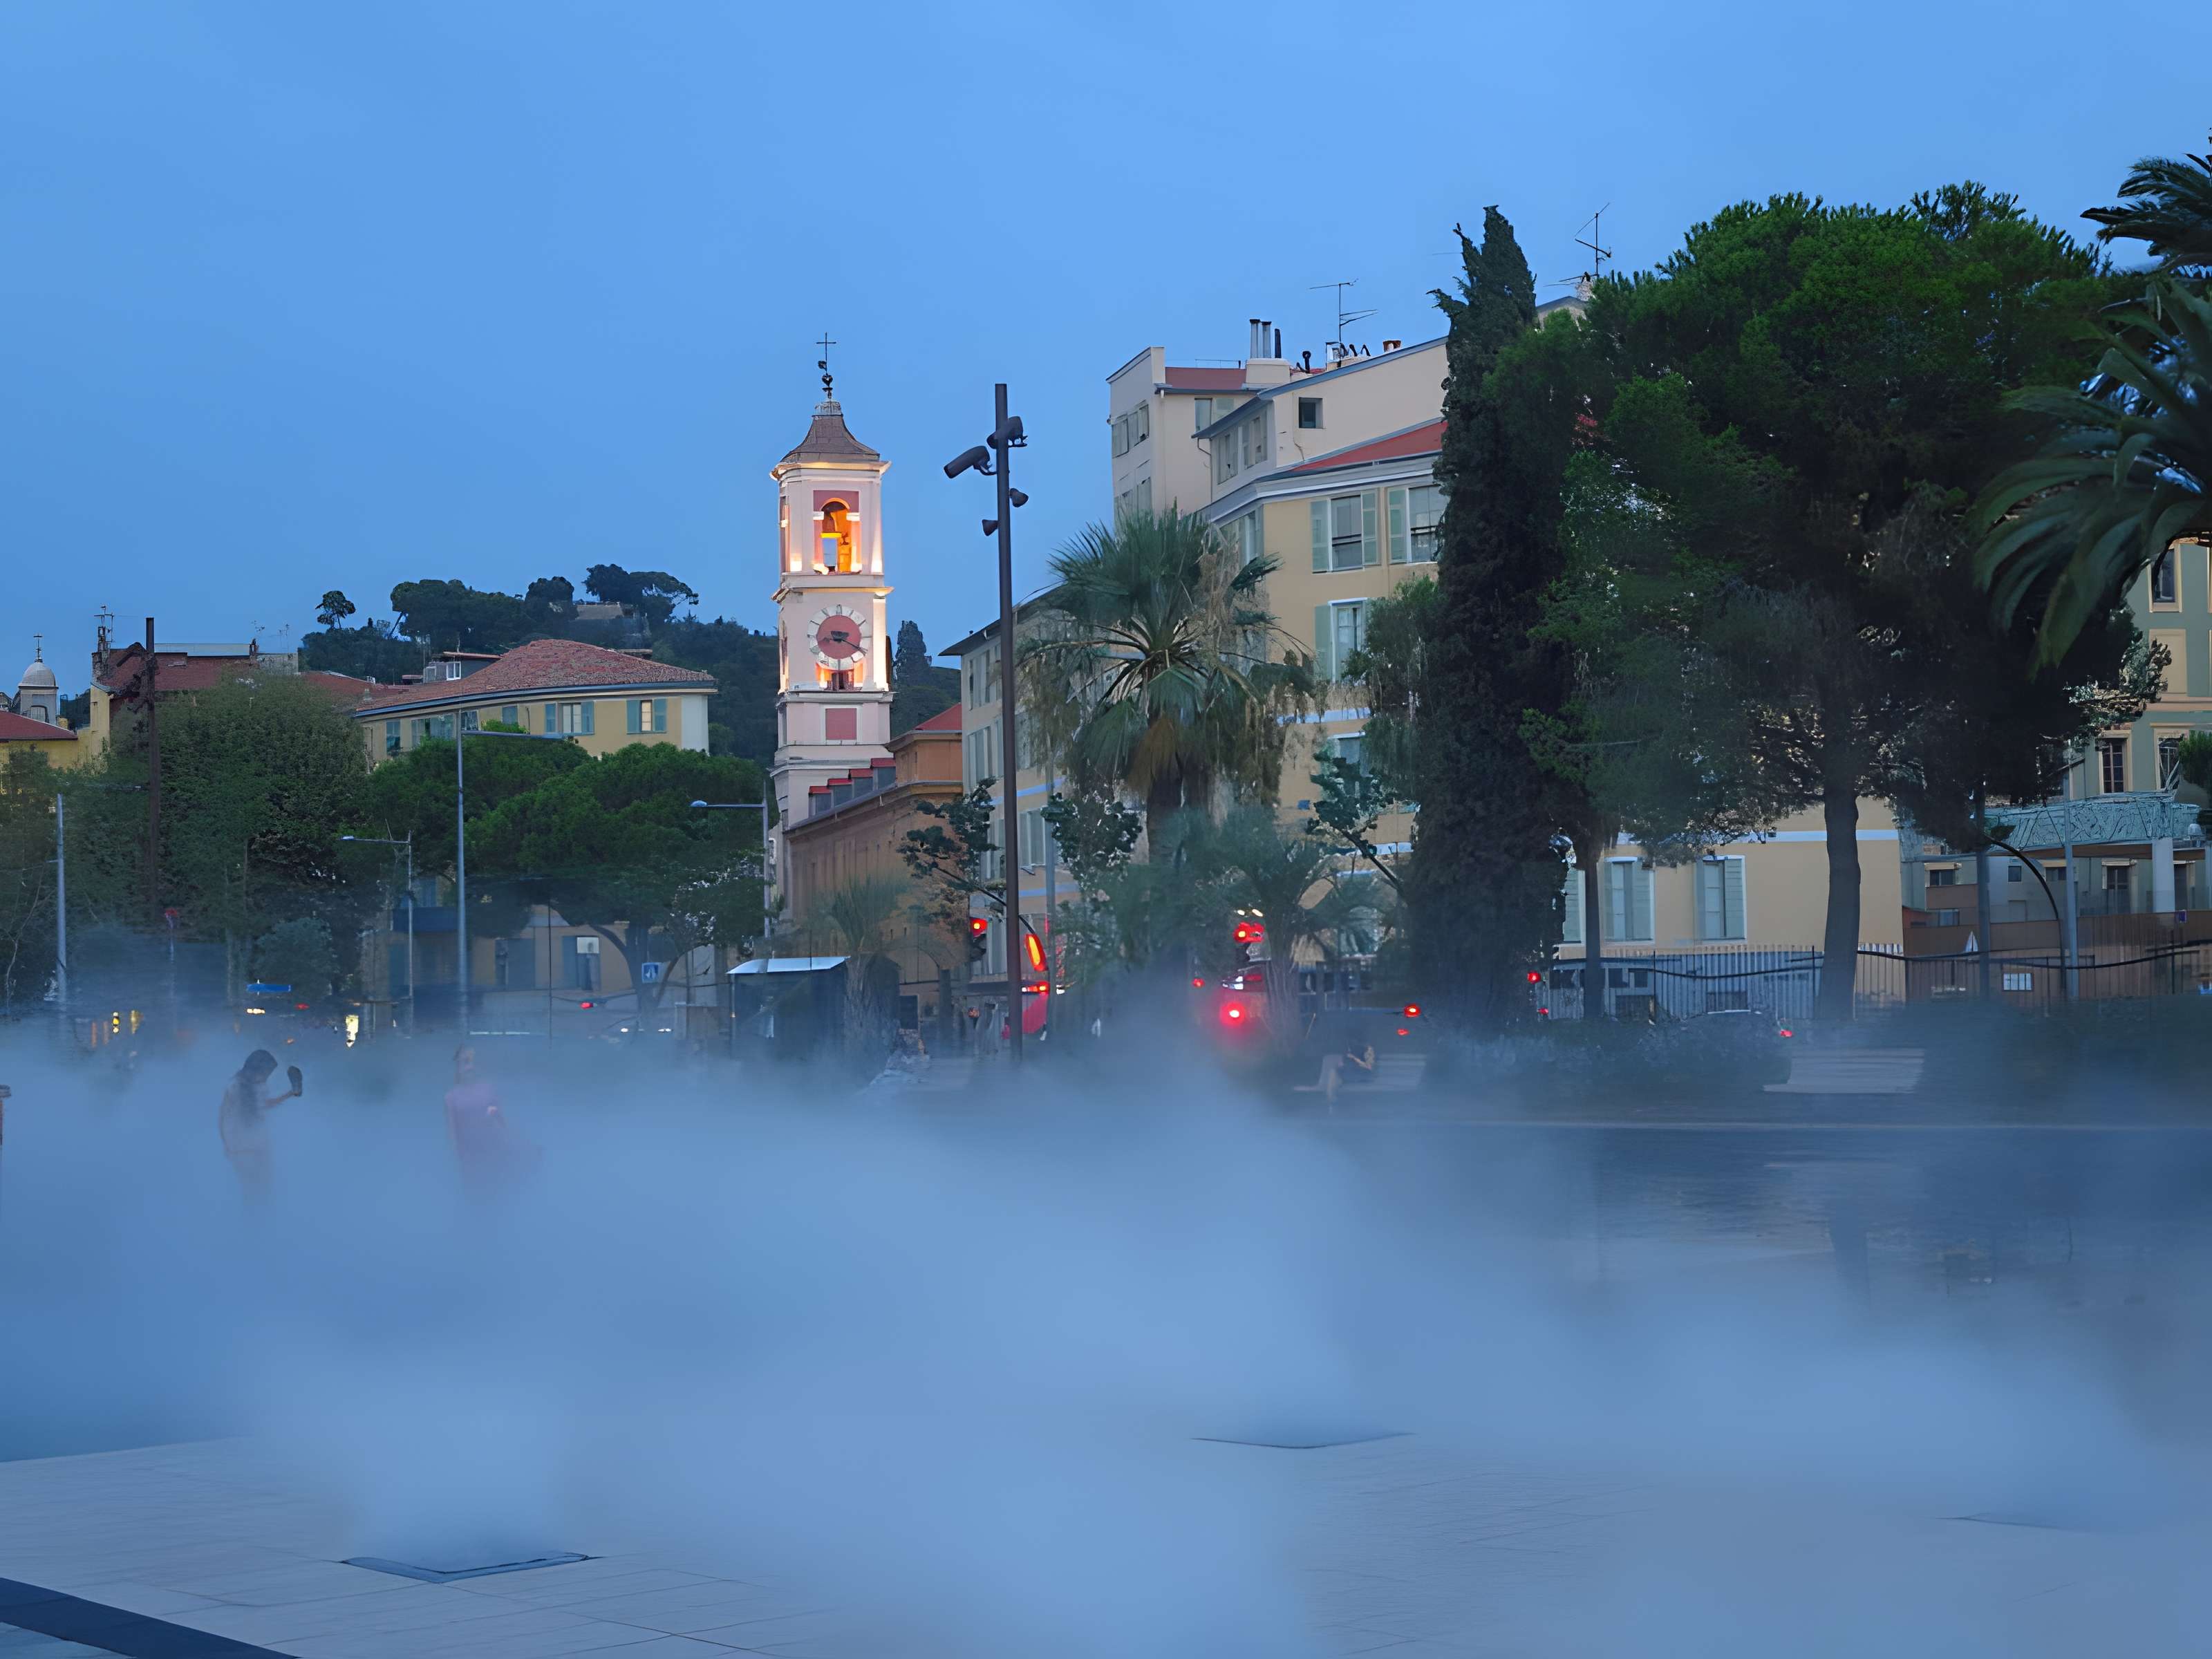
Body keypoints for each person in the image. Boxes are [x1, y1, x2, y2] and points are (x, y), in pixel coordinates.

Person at [445, 1045, 536, 1194]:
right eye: (465, 1062)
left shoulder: (488, 1089)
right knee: (478, 1195)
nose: (470, 1067)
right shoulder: (452, 1097)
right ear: (458, 1067)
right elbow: (453, 1133)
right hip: (472, 1156)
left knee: (500, 1190)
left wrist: (517, 1143)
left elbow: (502, 1122)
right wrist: (461, 1163)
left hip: (494, 1150)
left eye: (473, 1062)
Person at [219, 1049, 299, 1199]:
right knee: (250, 1186)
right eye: (265, 1073)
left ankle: (264, 1209)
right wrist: (227, 1143)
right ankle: (251, 1209)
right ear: (255, 1069)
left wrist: (289, 1094)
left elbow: (263, 1104)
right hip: (240, 1145)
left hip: (259, 1142)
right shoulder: (235, 1086)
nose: (266, 1077)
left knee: (265, 1186)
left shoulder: (259, 1086)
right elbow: (223, 1115)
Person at [1319, 1037, 1377, 1107]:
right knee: (1334, 1072)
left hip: (1364, 1074)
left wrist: (1354, 1059)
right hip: (1353, 1072)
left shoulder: (1369, 1050)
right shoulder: (1354, 1049)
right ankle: (1331, 1098)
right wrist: (1346, 1063)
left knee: (1336, 1073)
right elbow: (1347, 1062)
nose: (1354, 1043)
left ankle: (1331, 1098)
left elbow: (1369, 1067)